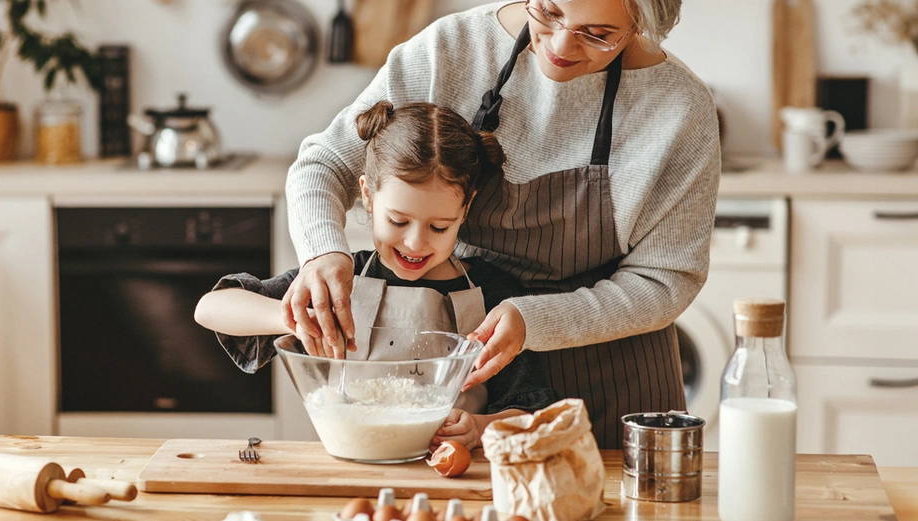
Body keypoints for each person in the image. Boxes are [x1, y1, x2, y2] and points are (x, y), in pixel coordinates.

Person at [280, 0, 721, 449]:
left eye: (598, 34)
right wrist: (322, 250)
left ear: (642, 24)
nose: (561, 44)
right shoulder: (452, 50)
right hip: (475, 399)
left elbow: (665, 280)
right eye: (549, 11)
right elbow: (326, 163)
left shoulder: (679, 108)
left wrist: (534, 319)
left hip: (617, 386)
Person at [194, 100, 556, 450]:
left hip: (455, 481)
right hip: (352, 469)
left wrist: (478, 429)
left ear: (467, 209)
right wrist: (293, 317)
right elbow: (211, 308)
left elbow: (531, 412)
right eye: (398, 221)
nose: (415, 243)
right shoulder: (338, 283)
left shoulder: (491, 293)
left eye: (440, 227)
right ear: (367, 196)